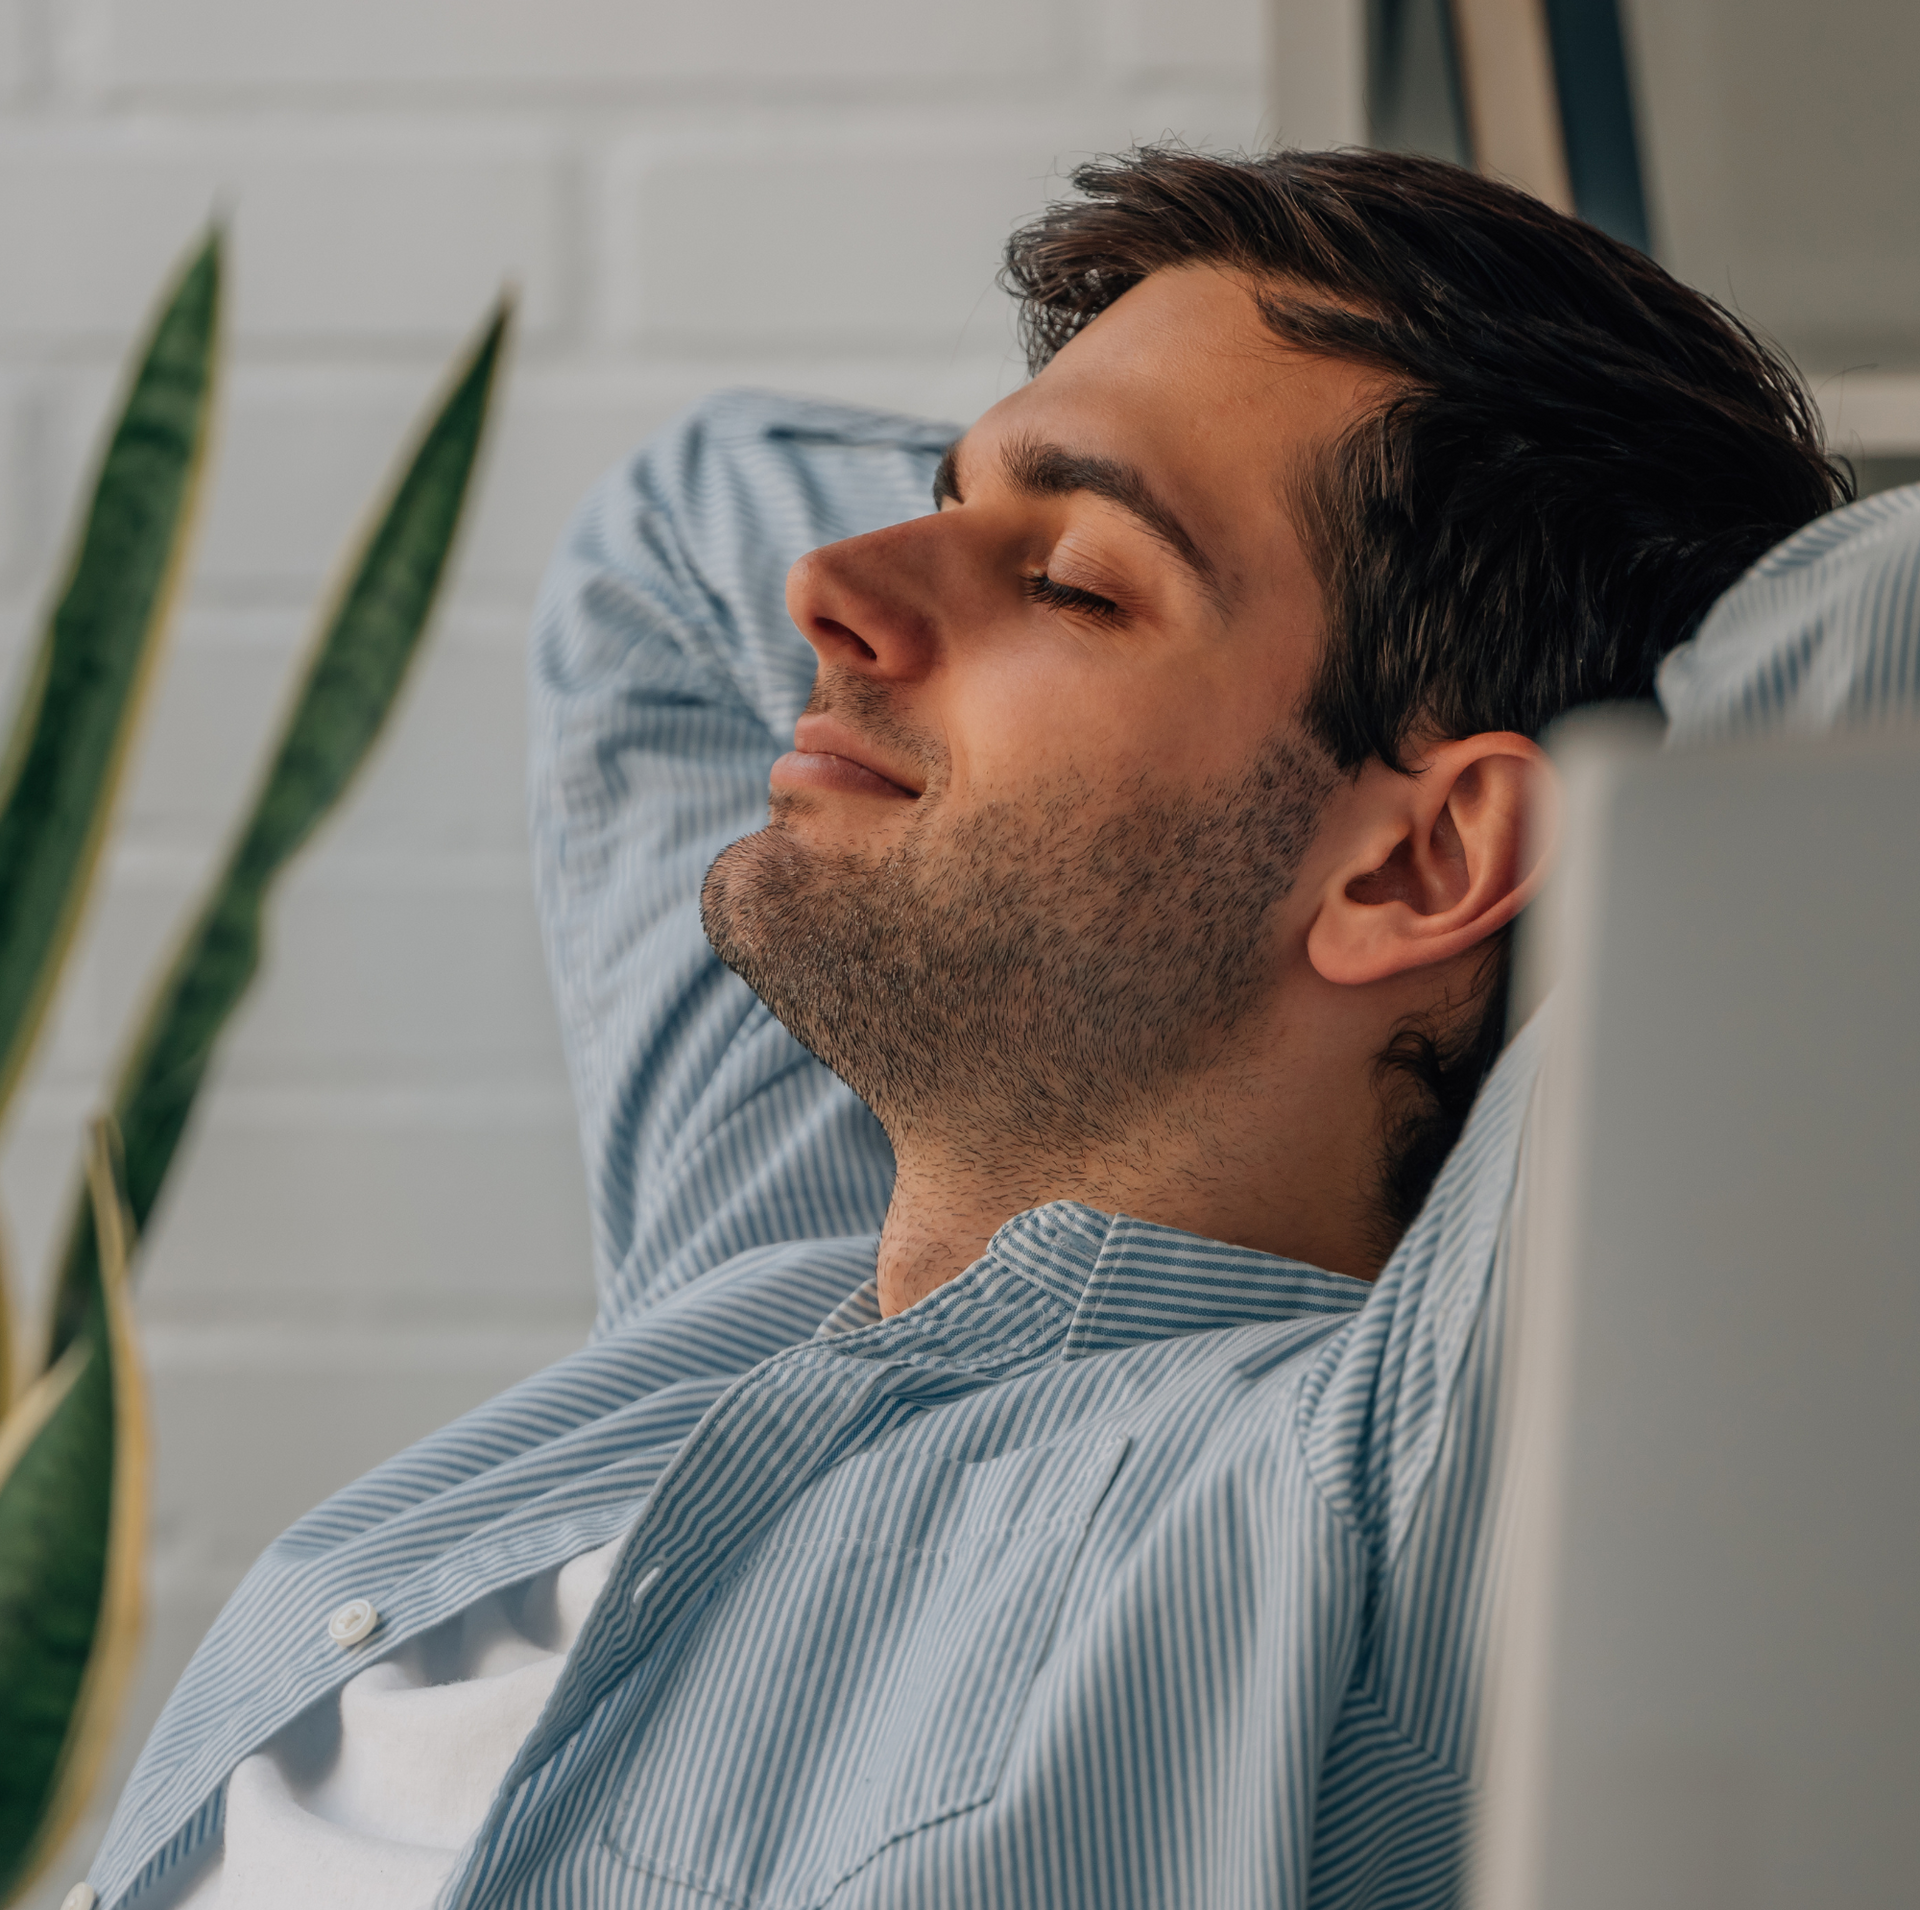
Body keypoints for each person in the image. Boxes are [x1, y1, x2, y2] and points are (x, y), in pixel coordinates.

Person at [88, 146, 1855, 1910]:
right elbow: (675, 534)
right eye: (945, 493)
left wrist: (1609, 614)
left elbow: (1866, 658)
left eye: (1080, 582)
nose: (832, 586)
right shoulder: (749, 1304)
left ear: (1422, 857)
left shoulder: (1383, 1503)